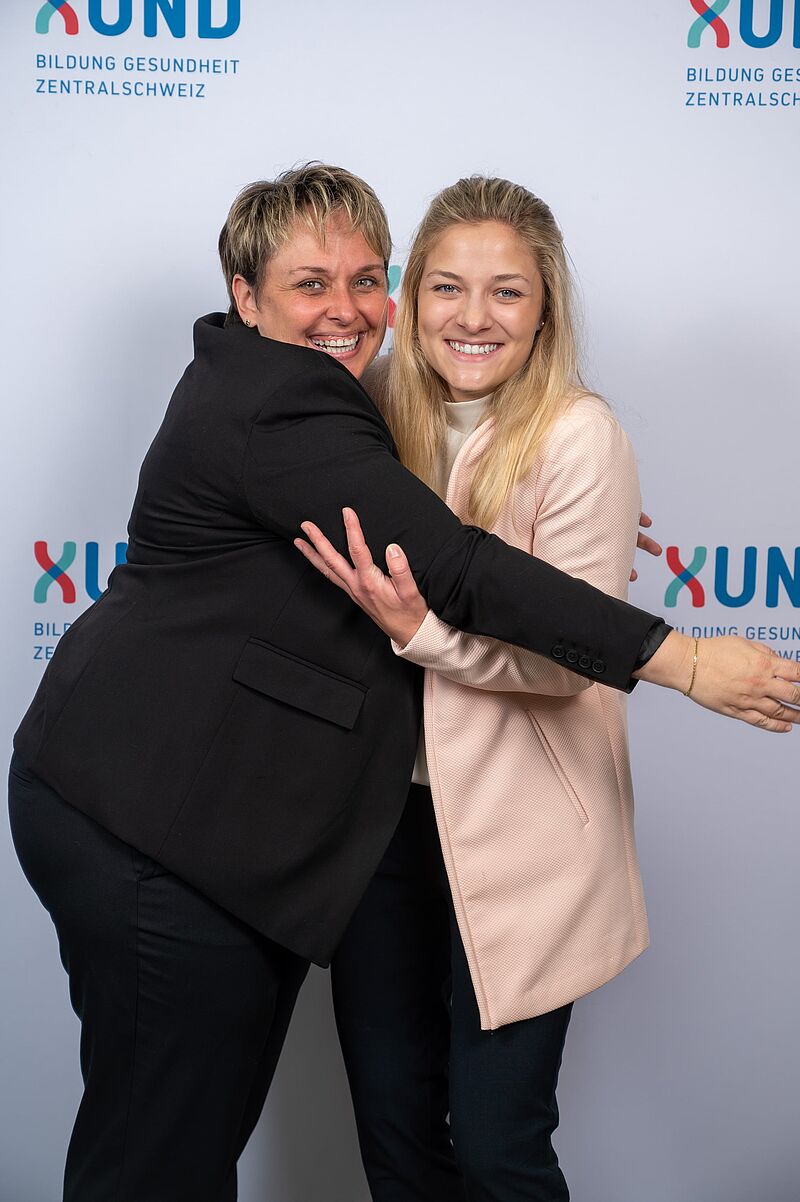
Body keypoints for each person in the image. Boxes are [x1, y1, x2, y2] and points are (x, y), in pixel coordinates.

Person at [8, 164, 799, 1202]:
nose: (343, 307)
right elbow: (461, 566)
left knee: (240, 1132)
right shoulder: (304, 401)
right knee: (174, 1144)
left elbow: (478, 538)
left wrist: (579, 531)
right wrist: (685, 658)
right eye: (308, 283)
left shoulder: (380, 402)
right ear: (245, 297)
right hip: (156, 817)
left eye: (362, 279)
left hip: (273, 815)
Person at [294, 175, 800, 1201]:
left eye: (506, 292)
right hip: (379, 825)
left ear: (544, 310)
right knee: (393, 1135)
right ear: (408, 298)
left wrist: (424, 636)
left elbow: (569, 660)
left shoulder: (578, 435)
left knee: (497, 1147)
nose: (472, 317)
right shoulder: (361, 414)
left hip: (527, 831)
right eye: (446, 287)